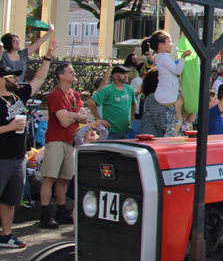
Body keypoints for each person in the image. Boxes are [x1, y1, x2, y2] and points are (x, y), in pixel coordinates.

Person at [0, 41, 55, 247]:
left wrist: (48, 56)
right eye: (11, 76)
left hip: (18, 158)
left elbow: (39, 78)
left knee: (10, 200)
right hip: (1, 158)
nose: (16, 78)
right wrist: (8, 127)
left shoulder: (18, 97)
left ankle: (6, 236)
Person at [41, 61, 88, 229]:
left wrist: (72, 115)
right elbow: (62, 121)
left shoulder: (75, 95)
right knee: (50, 177)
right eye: (71, 72)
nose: (74, 74)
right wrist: (75, 116)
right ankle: (45, 213)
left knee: (65, 178)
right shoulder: (55, 94)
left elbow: (83, 117)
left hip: (71, 141)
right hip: (55, 140)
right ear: (61, 76)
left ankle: (61, 210)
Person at [141, 30, 190, 137]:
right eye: (169, 41)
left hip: (166, 97)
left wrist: (180, 40)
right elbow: (177, 70)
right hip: (155, 139)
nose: (171, 44)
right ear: (161, 45)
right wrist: (183, 57)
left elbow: (172, 51)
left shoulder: (161, 57)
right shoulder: (163, 57)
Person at [87, 65, 136, 140]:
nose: (126, 75)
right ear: (115, 76)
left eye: (126, 73)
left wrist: (132, 117)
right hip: (111, 131)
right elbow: (90, 102)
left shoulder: (129, 88)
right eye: (123, 73)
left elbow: (134, 102)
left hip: (126, 130)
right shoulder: (107, 90)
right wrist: (98, 119)